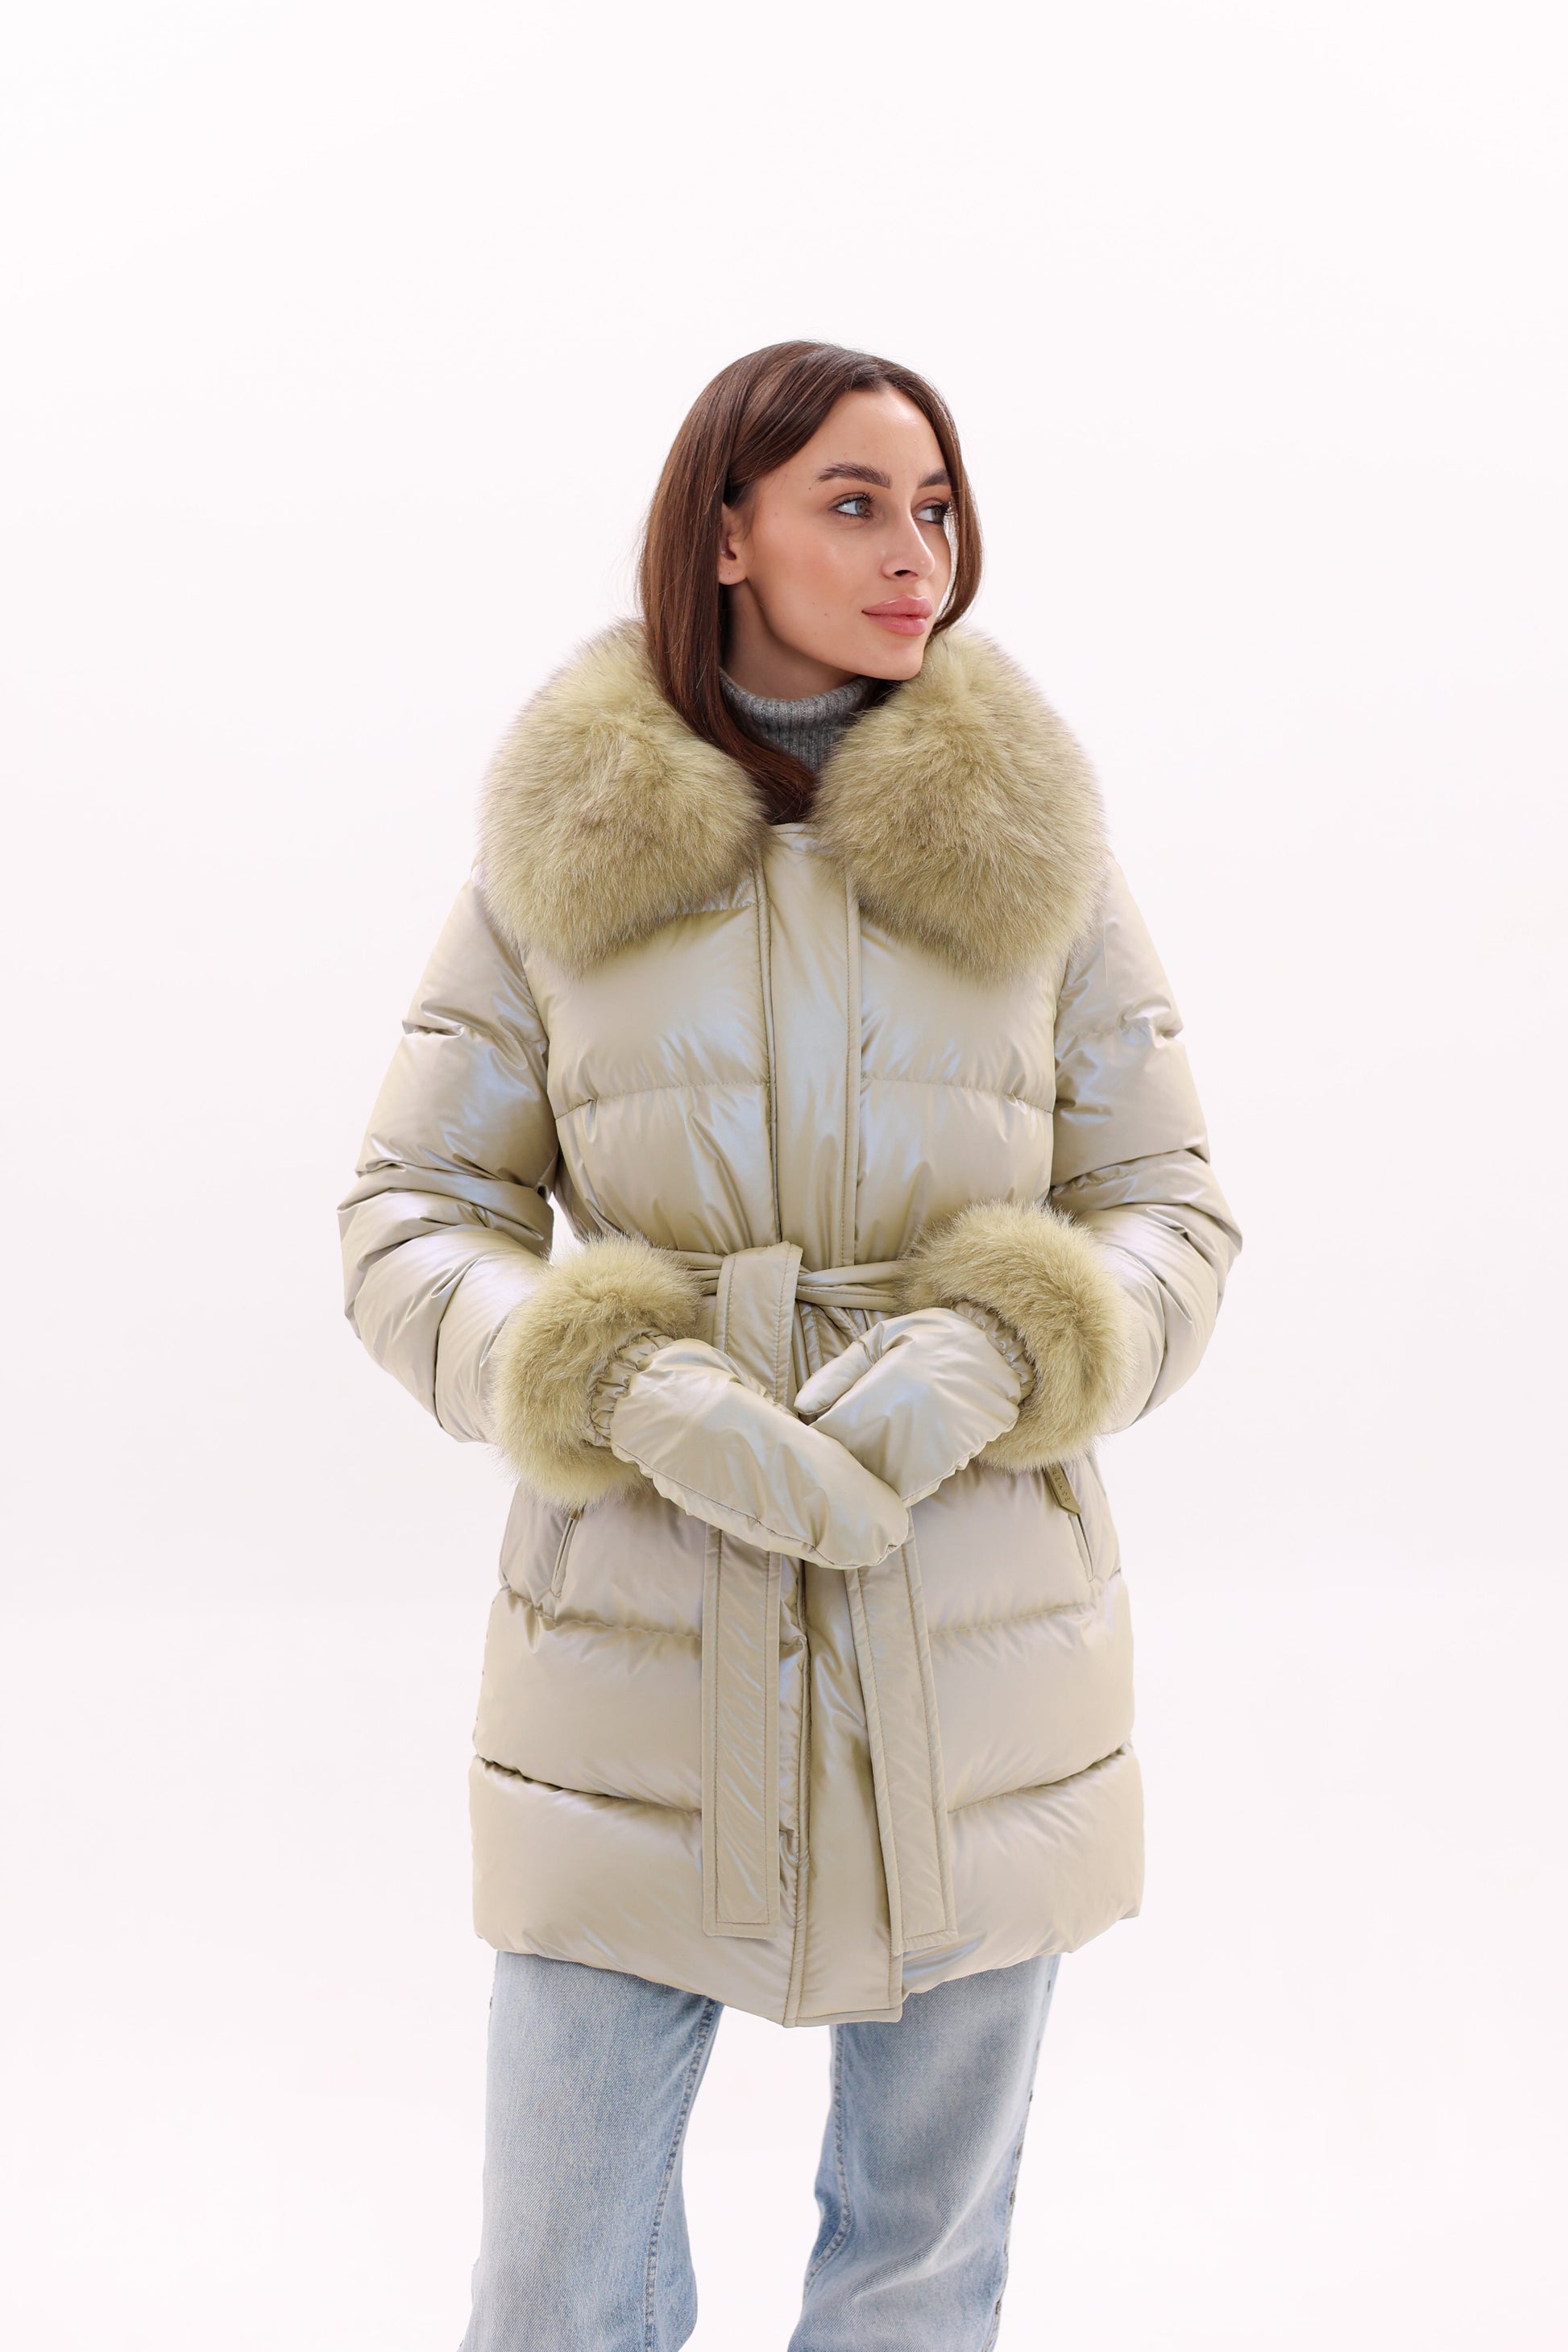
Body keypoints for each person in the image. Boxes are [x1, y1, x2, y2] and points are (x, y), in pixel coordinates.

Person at [338, 338, 1242, 2351]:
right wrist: (611, 1374)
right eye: (853, 501)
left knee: (919, 2259)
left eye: (935, 506)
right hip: (634, 1640)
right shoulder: (561, 851)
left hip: (977, 1632)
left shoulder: (1042, 855)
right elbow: (408, 1211)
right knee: (556, 2279)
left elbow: (1168, 1205)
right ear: (727, 531)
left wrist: (1006, 1345)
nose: (916, 551)